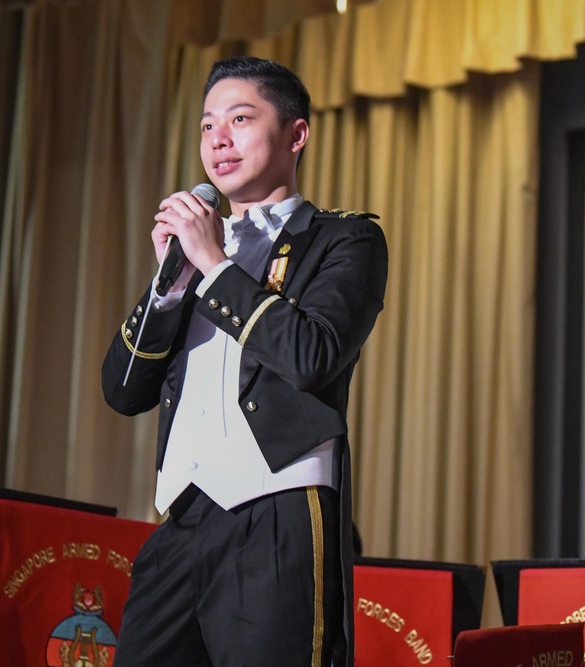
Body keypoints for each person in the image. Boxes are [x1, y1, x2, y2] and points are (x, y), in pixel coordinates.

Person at [102, 55, 387, 666]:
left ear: (296, 134)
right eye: (207, 125)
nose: (218, 139)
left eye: (239, 118)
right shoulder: (196, 256)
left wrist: (214, 266)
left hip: (278, 515)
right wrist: (168, 284)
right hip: (182, 518)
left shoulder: (343, 240)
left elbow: (313, 356)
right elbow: (124, 391)